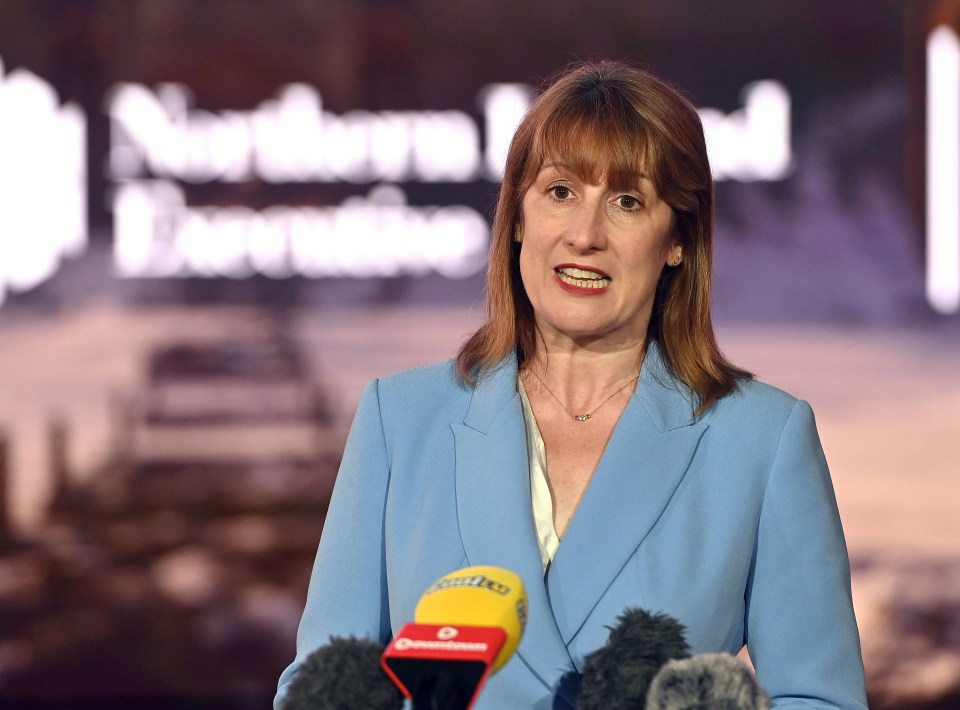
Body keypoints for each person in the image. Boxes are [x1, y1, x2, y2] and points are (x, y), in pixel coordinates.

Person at [275, 60, 868, 709]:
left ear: (677, 239)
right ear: (517, 218)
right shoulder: (400, 419)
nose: (585, 235)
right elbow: (320, 688)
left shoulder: (761, 439)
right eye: (560, 192)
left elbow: (821, 699)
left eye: (627, 202)